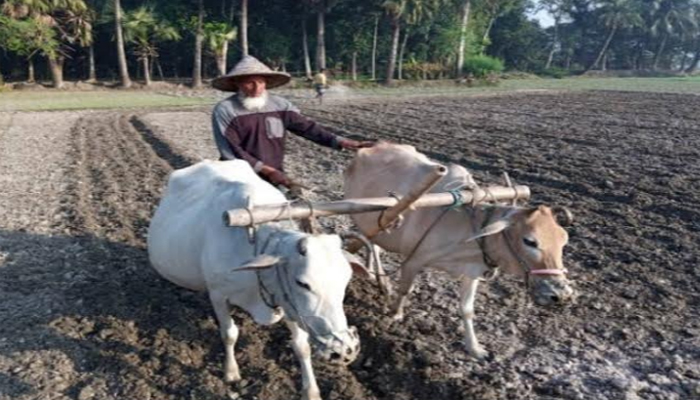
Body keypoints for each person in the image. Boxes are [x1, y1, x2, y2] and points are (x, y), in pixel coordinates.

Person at [211, 56, 373, 190]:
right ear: (236, 83)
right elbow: (231, 151)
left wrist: (342, 141)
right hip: (238, 178)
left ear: (266, 82)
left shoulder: (280, 105)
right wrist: (266, 170)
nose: (256, 88)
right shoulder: (226, 110)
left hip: (275, 174)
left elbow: (308, 128)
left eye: (260, 82)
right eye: (249, 83)